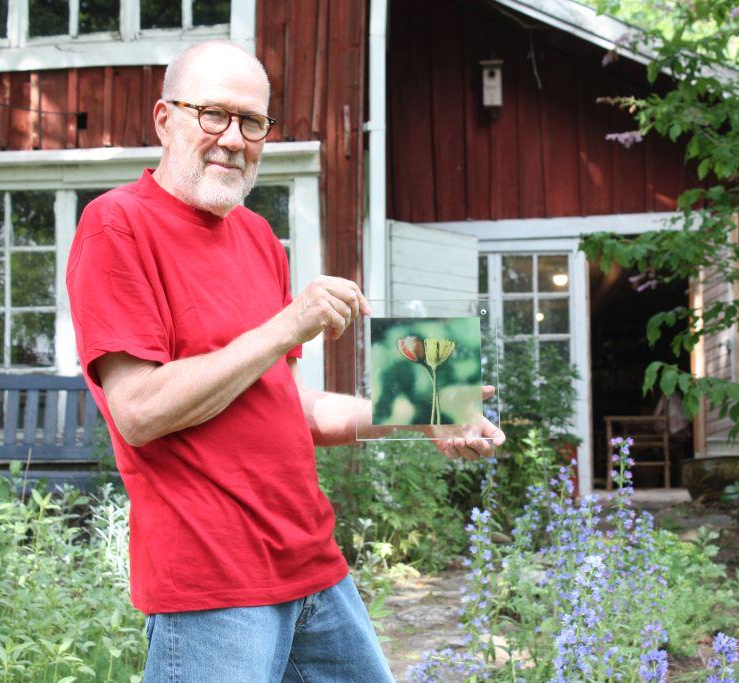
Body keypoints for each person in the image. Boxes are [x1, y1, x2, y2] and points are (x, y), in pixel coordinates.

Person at [65, 40, 504, 682]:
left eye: (253, 123)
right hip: (212, 587)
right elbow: (139, 412)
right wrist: (286, 325)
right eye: (213, 115)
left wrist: (427, 411)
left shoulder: (258, 239)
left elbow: (291, 410)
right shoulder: (116, 226)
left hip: (313, 568)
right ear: (165, 119)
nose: (234, 139)